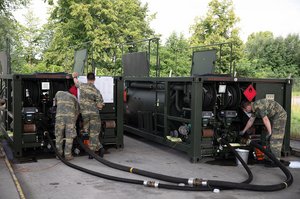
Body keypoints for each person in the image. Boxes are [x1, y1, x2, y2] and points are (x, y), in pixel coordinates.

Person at [240, 99, 287, 165]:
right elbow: (250, 121)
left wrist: (270, 133)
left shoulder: (258, 107)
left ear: (248, 106)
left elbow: (265, 120)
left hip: (280, 115)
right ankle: (268, 158)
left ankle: (276, 161)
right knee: (268, 138)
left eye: (245, 110)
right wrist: (243, 131)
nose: (245, 111)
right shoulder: (254, 109)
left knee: (275, 138)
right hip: (273, 117)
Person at [72, 72, 105, 158]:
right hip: (94, 114)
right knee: (94, 132)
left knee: (89, 132)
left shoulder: (82, 86)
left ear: (87, 79)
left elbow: (76, 82)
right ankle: (96, 150)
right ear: (94, 80)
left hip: (85, 114)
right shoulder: (97, 91)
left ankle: (96, 150)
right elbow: (100, 106)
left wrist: (75, 76)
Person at [55, 90, 80, 161]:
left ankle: (58, 155)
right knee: (69, 137)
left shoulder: (58, 93)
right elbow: (78, 111)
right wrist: (74, 120)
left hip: (59, 118)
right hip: (70, 119)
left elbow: (56, 103)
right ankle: (68, 155)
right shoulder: (74, 97)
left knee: (59, 136)